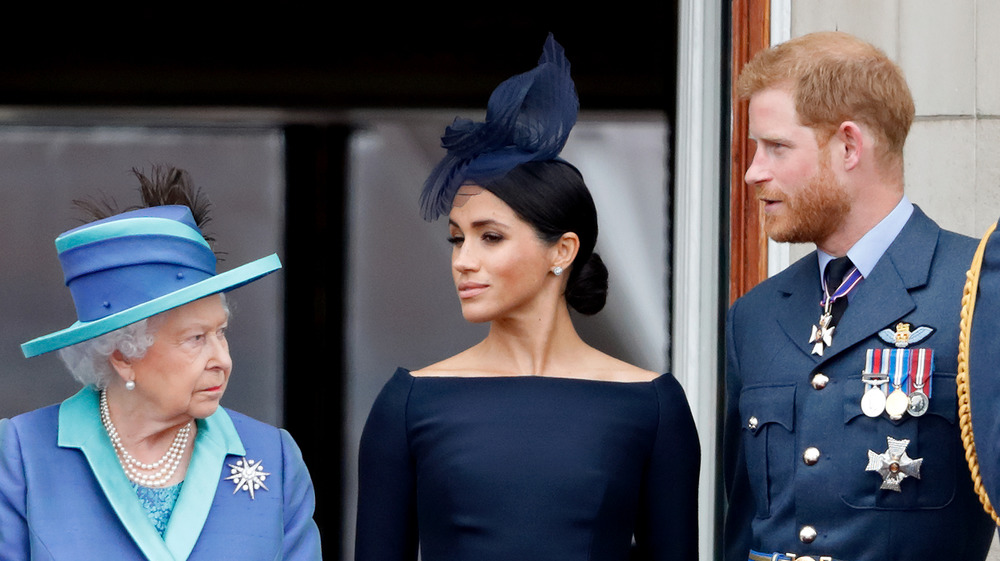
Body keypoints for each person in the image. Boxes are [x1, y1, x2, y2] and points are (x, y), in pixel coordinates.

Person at [355, 34, 699, 561]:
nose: (463, 259)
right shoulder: (408, 402)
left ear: (561, 251)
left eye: (490, 237)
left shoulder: (653, 405)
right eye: (456, 237)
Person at [724, 31, 996, 561]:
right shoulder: (753, 316)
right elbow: (743, 527)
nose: (754, 171)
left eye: (777, 146)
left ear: (849, 146)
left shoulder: (977, 288)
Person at [0, 166, 322, 560]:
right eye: (195, 339)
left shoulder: (275, 457)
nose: (222, 359)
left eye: (221, 332)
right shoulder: (22, 455)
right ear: (122, 355)